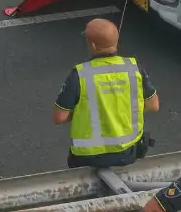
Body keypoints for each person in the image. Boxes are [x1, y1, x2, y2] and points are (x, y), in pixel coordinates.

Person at [52, 18, 159, 168]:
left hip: (87, 157)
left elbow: (59, 117)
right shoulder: (134, 68)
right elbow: (153, 105)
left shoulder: (80, 74)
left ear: (93, 45)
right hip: (127, 153)